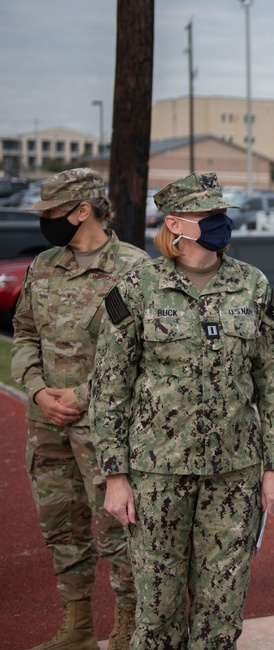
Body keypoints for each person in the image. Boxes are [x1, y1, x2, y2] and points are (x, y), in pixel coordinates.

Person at [89, 172, 274, 648]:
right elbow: (109, 387)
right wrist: (115, 477)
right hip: (157, 473)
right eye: (209, 216)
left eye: (223, 214)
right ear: (175, 224)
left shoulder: (253, 286)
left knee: (220, 614)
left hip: (234, 474)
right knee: (157, 616)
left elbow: (272, 383)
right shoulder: (138, 287)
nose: (221, 223)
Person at [11, 168, 148, 650]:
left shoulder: (134, 270)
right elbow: (24, 335)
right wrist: (36, 390)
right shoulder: (44, 265)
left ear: (81, 210)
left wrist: (82, 395)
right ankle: (78, 629)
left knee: (119, 531)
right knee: (61, 526)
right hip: (47, 423)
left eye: (50, 212)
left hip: (105, 429)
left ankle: (130, 626)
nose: (45, 221)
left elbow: (141, 353)